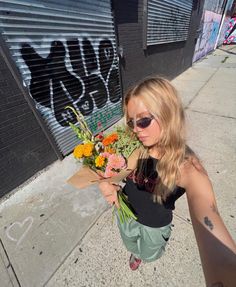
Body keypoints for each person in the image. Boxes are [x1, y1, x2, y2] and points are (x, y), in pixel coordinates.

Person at [98, 77, 236, 284]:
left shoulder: (188, 168)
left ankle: (141, 256)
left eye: (143, 120)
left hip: (154, 226)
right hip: (125, 214)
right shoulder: (133, 145)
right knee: (130, 242)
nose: (135, 129)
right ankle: (135, 253)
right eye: (131, 122)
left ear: (168, 114)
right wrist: (106, 182)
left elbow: (220, 253)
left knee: (148, 252)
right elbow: (115, 171)